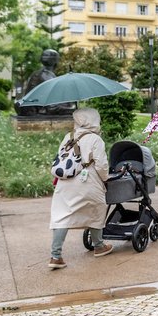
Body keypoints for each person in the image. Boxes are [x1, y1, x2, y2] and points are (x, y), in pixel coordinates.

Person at [48, 108, 114, 269]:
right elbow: (101, 165)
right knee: (96, 209)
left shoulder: (68, 137)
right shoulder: (95, 139)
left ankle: (55, 256)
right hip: (88, 181)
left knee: (61, 215)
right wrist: (106, 179)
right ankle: (98, 246)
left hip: (65, 183)